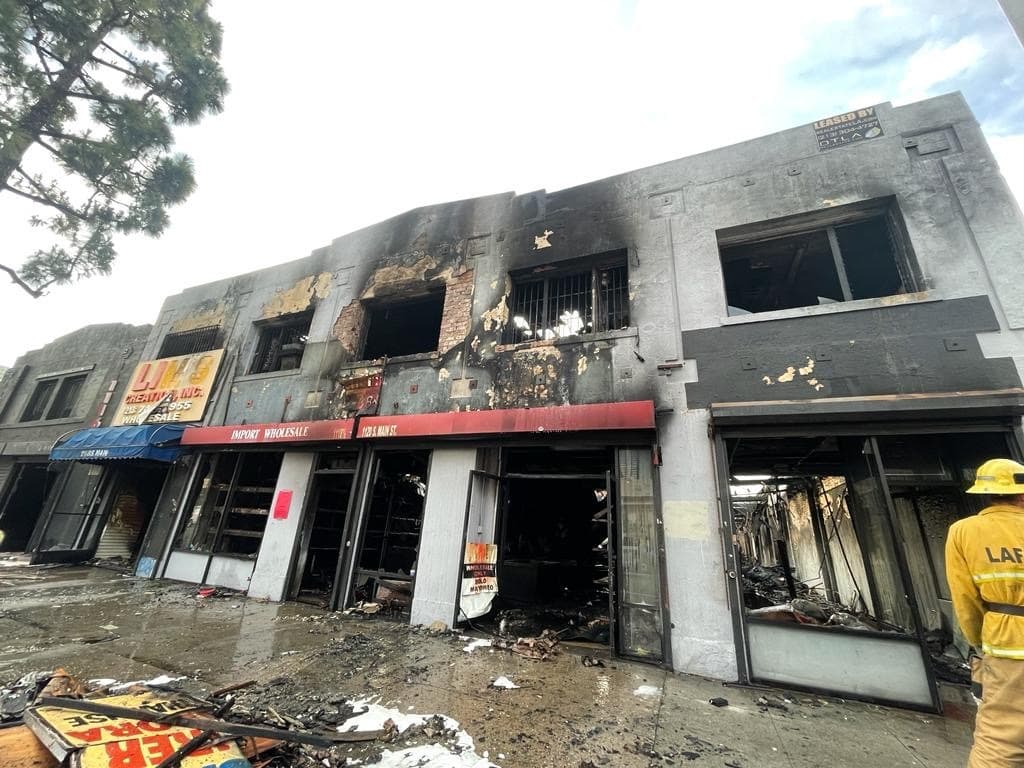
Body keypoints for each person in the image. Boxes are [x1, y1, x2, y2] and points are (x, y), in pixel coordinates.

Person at [946, 458, 1024, 767]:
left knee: (999, 742)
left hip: (1006, 648)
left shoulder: (964, 532)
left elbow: (965, 600)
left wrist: (980, 644)